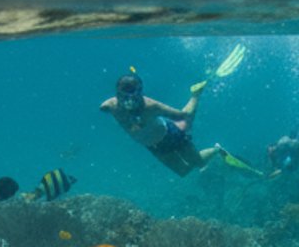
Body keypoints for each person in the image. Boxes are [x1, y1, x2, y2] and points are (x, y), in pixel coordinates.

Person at [101, 70, 255, 178]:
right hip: (154, 147)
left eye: (133, 97)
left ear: (140, 93)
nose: (129, 102)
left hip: (170, 136)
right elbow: (104, 107)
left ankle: (216, 148)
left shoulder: (151, 106)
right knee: (183, 171)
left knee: (199, 162)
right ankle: (194, 100)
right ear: (118, 94)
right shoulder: (110, 106)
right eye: (124, 97)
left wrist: (186, 122)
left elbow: (180, 115)